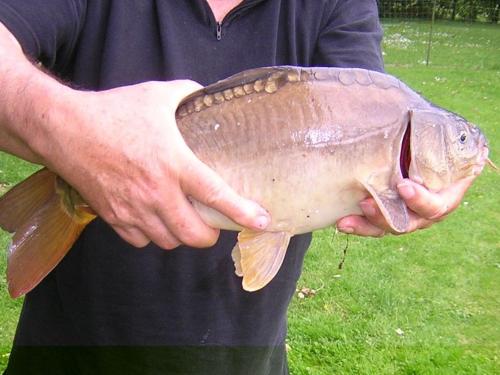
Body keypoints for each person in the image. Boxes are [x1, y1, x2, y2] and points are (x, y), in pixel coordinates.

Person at [0, 1, 475, 374]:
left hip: (246, 356)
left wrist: (422, 191)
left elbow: (358, 96)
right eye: (458, 138)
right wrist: (74, 138)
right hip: (71, 352)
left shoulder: (339, 9)